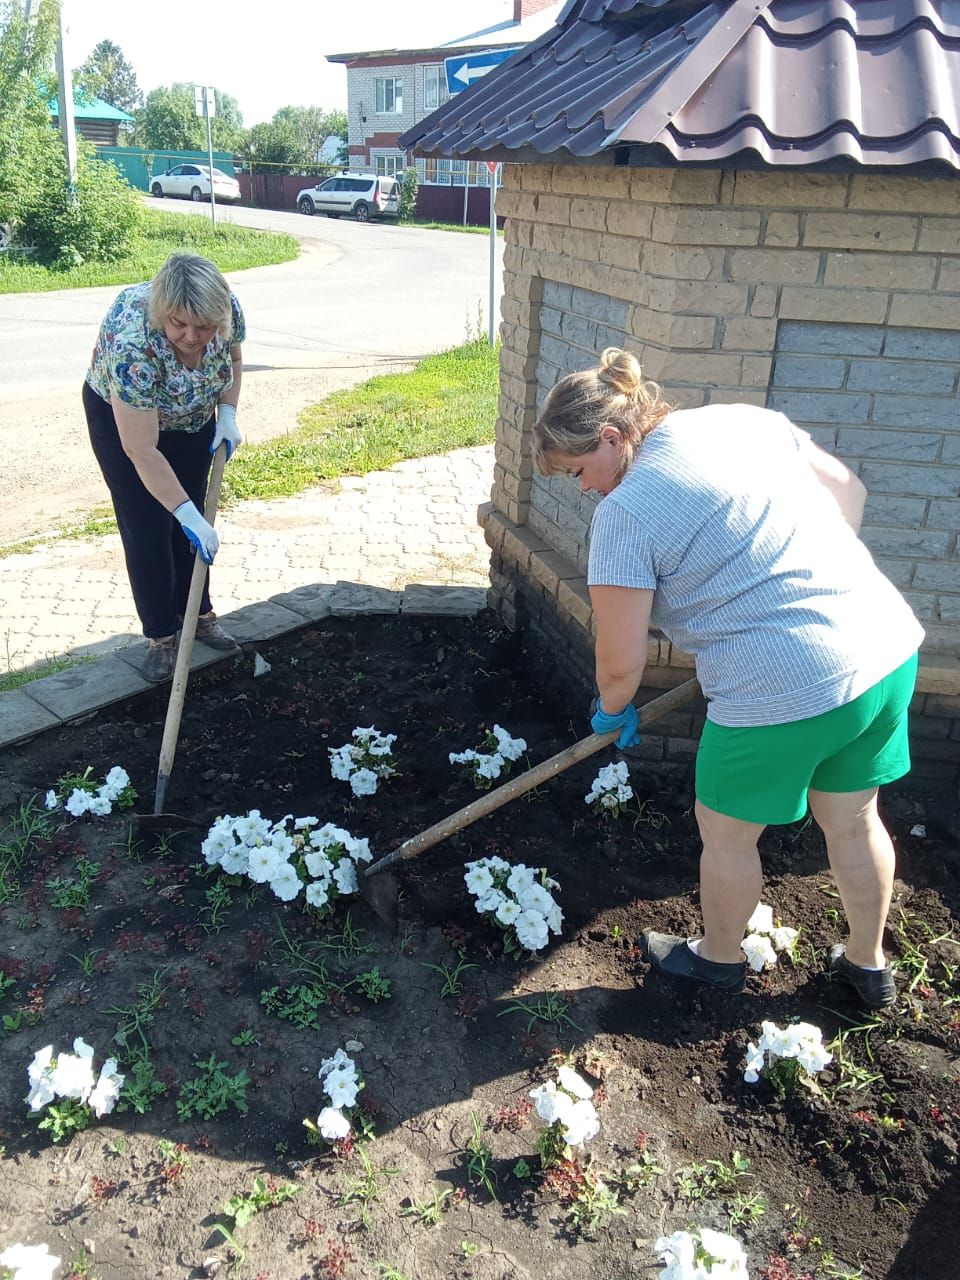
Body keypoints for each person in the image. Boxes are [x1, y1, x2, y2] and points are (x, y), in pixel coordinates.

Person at [534, 348, 924, 1010]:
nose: (583, 488)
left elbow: (621, 663)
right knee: (855, 818)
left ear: (611, 437)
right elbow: (849, 492)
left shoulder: (625, 513)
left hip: (783, 686)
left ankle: (717, 961)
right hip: (882, 646)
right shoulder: (739, 422)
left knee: (725, 830)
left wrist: (611, 710)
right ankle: (868, 967)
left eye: (579, 471)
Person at [84, 253, 245, 682]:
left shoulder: (225, 311)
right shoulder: (132, 342)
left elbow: (233, 360)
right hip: (125, 420)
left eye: (204, 327)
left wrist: (227, 412)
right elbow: (141, 449)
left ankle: (198, 614)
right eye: (179, 324)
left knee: (193, 516)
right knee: (150, 522)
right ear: (162, 314)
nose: (192, 336)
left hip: (191, 416)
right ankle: (161, 635)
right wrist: (184, 513)